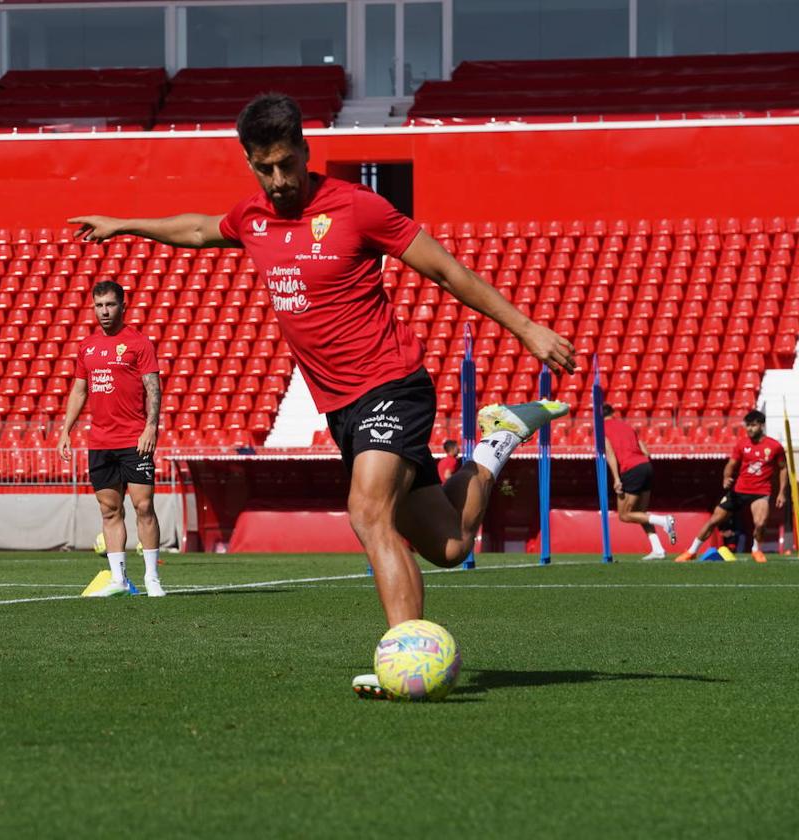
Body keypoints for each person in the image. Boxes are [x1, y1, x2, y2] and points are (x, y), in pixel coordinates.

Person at [69, 93, 576, 697]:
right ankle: (497, 439)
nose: (279, 180)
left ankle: (407, 660)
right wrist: (127, 224)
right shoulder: (253, 218)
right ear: (250, 165)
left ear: (307, 152)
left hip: (393, 383)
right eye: (265, 168)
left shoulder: (358, 208)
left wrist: (527, 329)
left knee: (367, 512)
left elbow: (445, 271)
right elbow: (201, 229)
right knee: (448, 543)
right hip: (342, 409)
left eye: (287, 164)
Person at [58, 280, 166, 597]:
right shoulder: (87, 347)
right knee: (109, 510)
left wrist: (151, 427)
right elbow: (79, 390)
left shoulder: (139, 343)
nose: (104, 312)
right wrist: (66, 429)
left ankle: (152, 578)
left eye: (110, 305)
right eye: (99, 306)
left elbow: (153, 388)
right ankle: (119, 579)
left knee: (143, 506)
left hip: (134, 439)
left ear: (123, 306)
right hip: (100, 442)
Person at [674, 409, 788, 564]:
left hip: (760, 491)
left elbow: (783, 468)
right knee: (714, 520)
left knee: (760, 523)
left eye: (753, 425)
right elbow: (731, 464)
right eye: (747, 425)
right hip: (738, 490)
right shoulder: (742, 444)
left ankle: (756, 550)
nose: (749, 429)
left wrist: (781, 492)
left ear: (761, 425)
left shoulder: (775, 447)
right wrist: (726, 477)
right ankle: (691, 551)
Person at [601, 404, 676, 559]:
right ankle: (658, 549)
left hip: (631, 468)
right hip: (645, 465)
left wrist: (616, 478)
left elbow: (609, 454)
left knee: (624, 515)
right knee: (640, 514)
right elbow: (645, 450)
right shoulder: (627, 426)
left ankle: (664, 521)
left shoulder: (601, 429)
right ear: (613, 413)